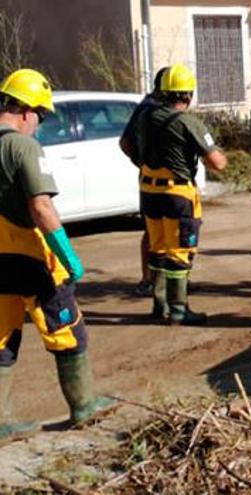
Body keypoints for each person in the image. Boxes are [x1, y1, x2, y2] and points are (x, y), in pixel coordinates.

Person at [0, 68, 115, 440]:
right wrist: (67, 255)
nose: (39, 124)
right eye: (41, 116)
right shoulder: (22, 146)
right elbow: (42, 208)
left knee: (1, 336)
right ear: (26, 111)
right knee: (66, 328)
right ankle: (83, 406)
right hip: (30, 255)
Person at [129, 63, 227, 325]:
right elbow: (217, 162)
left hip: (148, 191)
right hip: (176, 193)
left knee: (157, 248)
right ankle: (180, 310)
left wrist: (143, 162)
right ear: (188, 94)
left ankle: (159, 306)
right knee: (179, 252)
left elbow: (125, 143)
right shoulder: (187, 122)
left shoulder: (144, 116)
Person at [120, 66, 169, 298]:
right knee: (152, 229)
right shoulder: (148, 110)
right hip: (156, 180)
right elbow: (125, 142)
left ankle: (168, 280)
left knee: (165, 230)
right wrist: (143, 163)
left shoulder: (154, 107)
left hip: (160, 178)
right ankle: (148, 280)